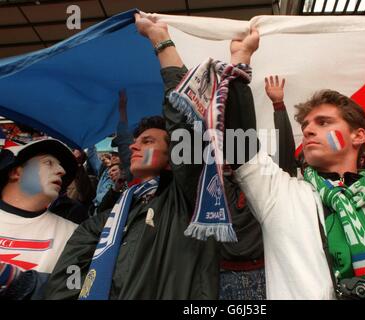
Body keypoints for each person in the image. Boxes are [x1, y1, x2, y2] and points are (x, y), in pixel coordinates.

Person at [215, 31, 365, 299]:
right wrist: (240, 61)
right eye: (305, 126)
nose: (308, 131)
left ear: (358, 135)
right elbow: (238, 142)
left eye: (323, 123)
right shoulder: (280, 196)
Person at [43, 13, 220, 300]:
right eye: (135, 141)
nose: (134, 147)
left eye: (147, 141)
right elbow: (66, 282)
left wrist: (161, 40)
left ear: (173, 158)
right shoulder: (107, 218)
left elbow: (187, 123)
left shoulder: (188, 202)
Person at [0, 139, 78, 299]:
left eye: (61, 166)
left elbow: (74, 289)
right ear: (16, 172)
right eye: (48, 162)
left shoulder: (74, 233)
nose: (61, 170)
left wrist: (15, 280)